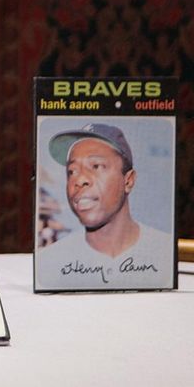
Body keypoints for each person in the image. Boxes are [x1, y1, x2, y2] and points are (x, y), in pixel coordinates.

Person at [38, 122, 174, 288]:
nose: (79, 180)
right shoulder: (50, 262)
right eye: (72, 171)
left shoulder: (165, 253)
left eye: (96, 166)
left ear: (128, 180)